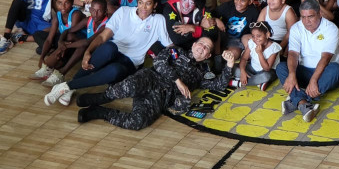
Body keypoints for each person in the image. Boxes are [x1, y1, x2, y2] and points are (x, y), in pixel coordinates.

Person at [44, 0, 172, 107]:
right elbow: (103, 37)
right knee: (110, 47)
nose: (143, 7)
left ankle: (67, 86)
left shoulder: (159, 20)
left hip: (131, 62)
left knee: (115, 70)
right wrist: (88, 52)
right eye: (140, 2)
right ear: (137, 3)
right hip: (112, 51)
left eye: (148, 4)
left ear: (154, 5)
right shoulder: (124, 12)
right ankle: (70, 87)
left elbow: (169, 45)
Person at [75, 37, 234, 130]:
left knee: (138, 122)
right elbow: (159, 63)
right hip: (151, 78)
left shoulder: (202, 73)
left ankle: (99, 112)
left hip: (161, 96)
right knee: (128, 87)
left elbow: (218, 86)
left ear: (208, 55)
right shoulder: (176, 51)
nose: (202, 47)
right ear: (193, 45)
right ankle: (100, 97)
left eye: (207, 48)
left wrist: (230, 65)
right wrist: (178, 81)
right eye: (201, 43)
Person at [276, 0, 339, 122]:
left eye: (310, 16)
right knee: (281, 67)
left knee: (336, 70)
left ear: (319, 14)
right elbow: (293, 54)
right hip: (304, 70)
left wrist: (314, 80)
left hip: (323, 73)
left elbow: (325, 58)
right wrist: (291, 74)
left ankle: (297, 101)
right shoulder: (296, 28)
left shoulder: (331, 29)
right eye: (303, 17)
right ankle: (304, 103)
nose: (306, 21)